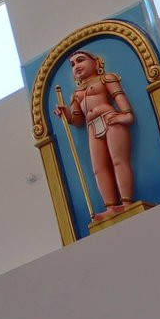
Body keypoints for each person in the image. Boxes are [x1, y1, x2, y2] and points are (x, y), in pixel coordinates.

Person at [56, 48, 138, 222]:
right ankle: (110, 206)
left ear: (96, 63)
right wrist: (67, 115)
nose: (76, 66)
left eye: (81, 60)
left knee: (118, 161)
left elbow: (119, 96)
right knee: (99, 168)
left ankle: (126, 202)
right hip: (92, 126)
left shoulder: (105, 79)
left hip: (110, 119)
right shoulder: (76, 94)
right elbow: (78, 120)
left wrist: (126, 114)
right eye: (73, 64)